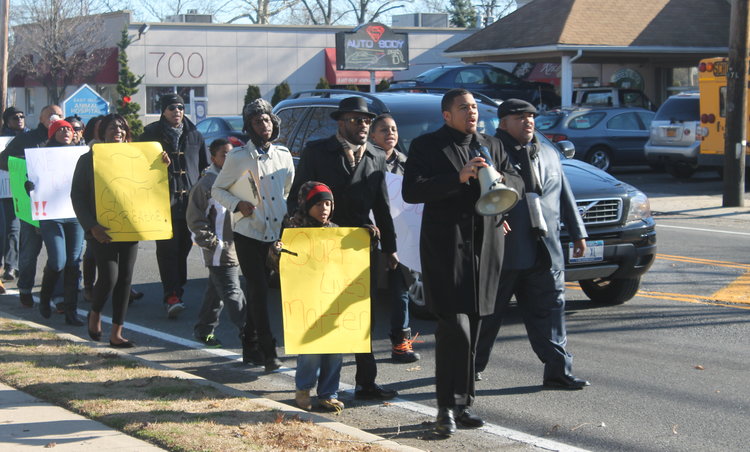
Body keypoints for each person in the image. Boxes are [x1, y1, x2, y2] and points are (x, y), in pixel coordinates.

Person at [401, 89, 524, 436]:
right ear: (446, 115)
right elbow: (413, 190)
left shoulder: (492, 144)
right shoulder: (428, 146)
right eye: (463, 108)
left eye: (474, 107)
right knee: (455, 328)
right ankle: (444, 409)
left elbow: (518, 181)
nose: (471, 113)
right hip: (446, 247)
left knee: (476, 327)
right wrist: (458, 177)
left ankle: (464, 403)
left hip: (487, 245)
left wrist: (500, 181)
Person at [288, 96, 399, 401]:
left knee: (363, 316)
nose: (363, 125)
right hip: (322, 245)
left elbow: (383, 206)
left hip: (361, 246)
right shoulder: (317, 151)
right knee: (323, 314)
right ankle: (314, 388)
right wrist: (303, 236)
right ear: (341, 123)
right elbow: (297, 198)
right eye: (355, 120)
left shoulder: (377, 155)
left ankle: (366, 382)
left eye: (366, 121)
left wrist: (390, 248)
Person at [475, 99, 590, 390]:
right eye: (519, 117)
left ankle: (558, 371)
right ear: (503, 123)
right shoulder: (487, 150)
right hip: (504, 249)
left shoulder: (548, 151)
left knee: (551, 310)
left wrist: (578, 232)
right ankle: (470, 367)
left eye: (531, 116)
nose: (528, 121)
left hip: (545, 249)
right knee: (486, 315)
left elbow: (563, 191)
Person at [72, 114, 171, 348]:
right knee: (109, 277)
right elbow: (77, 196)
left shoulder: (140, 156)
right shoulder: (89, 159)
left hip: (130, 226)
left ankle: (117, 333)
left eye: (122, 127)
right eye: (112, 127)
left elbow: (150, 185)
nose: (118, 130)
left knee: (125, 279)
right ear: (102, 132)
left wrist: (161, 165)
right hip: (101, 229)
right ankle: (95, 313)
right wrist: (92, 227)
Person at [212, 98, 295, 371]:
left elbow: (286, 190)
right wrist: (238, 205)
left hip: (274, 233)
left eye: (268, 120)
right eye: (258, 121)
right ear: (250, 126)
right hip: (248, 232)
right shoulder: (237, 157)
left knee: (263, 291)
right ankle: (269, 351)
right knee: (258, 290)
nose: (264, 125)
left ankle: (249, 343)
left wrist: (281, 214)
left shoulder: (284, 155)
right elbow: (217, 190)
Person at [276, 181, 346, 412]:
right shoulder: (294, 230)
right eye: (318, 204)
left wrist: (367, 236)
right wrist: (277, 252)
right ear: (306, 206)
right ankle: (303, 389)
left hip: (332, 299)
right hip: (306, 301)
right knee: (311, 352)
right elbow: (276, 266)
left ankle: (328, 393)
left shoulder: (337, 230)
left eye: (328, 203)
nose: (324, 208)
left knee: (335, 350)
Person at [139, 93, 208, 318]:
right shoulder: (150, 134)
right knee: (167, 249)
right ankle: (171, 296)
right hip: (162, 201)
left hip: (189, 201)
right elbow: (136, 165)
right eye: (171, 107)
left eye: (180, 107)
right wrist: (154, 163)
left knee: (184, 248)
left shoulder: (195, 134)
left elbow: (205, 167)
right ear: (163, 110)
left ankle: (177, 288)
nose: (177, 111)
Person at [0, 104, 63, 308]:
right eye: (50, 115)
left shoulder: (67, 138)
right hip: (33, 205)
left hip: (60, 206)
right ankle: (25, 288)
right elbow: (3, 161)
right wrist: (27, 164)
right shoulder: (27, 139)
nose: (55, 118)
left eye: (59, 115)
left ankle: (57, 295)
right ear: (41, 118)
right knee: (29, 252)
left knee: (61, 253)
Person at [369, 113, 420, 363]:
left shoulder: (406, 163)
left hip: (400, 238)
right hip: (369, 237)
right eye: (384, 129)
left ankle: (401, 344)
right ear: (372, 135)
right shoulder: (364, 161)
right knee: (365, 293)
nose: (391, 133)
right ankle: (359, 346)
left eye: (394, 129)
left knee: (400, 290)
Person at [186, 139, 246, 348]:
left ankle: (204, 330)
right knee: (233, 294)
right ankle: (251, 335)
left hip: (237, 249)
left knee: (215, 293)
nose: (229, 159)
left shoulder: (237, 180)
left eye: (232, 155)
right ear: (214, 159)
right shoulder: (206, 184)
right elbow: (195, 218)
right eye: (224, 155)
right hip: (220, 251)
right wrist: (212, 244)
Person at [32, 120, 86, 325]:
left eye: (69, 129)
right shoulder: (40, 157)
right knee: (58, 261)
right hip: (51, 214)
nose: (66, 131)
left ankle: (71, 311)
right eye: (60, 128)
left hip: (75, 213)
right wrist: (30, 183)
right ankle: (45, 298)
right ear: (52, 134)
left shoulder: (81, 153)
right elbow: (31, 179)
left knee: (73, 261)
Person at [0, 107, 27, 283]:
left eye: (22, 116)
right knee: (11, 227)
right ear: (7, 121)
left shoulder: (30, 137)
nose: (19, 119)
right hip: (6, 189)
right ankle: (10, 265)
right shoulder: (3, 139)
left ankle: (18, 264)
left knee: (24, 230)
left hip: (27, 187)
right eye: (15, 117)